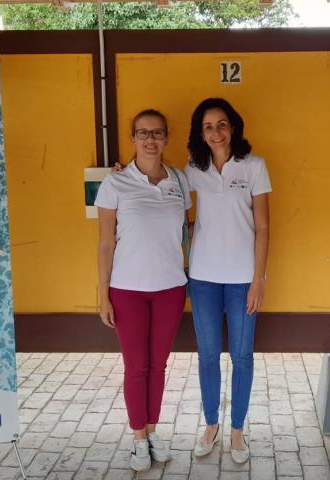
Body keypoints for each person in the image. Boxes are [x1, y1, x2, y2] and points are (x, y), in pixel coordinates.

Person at [94, 109, 191, 472]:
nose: (150, 140)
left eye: (157, 133)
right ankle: (137, 438)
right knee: (136, 367)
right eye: (142, 133)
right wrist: (102, 294)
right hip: (127, 290)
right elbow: (105, 244)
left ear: (166, 139)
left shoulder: (179, 181)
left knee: (159, 366)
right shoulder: (115, 183)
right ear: (133, 140)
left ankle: (152, 431)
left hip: (169, 289)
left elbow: (184, 231)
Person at [185, 98, 271, 464]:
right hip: (202, 277)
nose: (216, 132)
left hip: (241, 280)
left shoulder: (253, 166)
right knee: (207, 356)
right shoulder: (192, 170)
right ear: (200, 135)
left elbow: (264, 227)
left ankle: (237, 431)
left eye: (221, 124)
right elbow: (157, 183)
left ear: (233, 127)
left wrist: (258, 279)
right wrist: (124, 170)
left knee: (242, 356)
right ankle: (210, 426)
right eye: (208, 127)